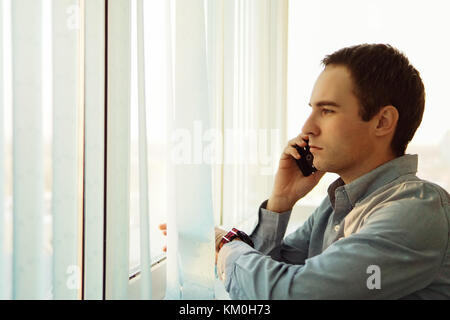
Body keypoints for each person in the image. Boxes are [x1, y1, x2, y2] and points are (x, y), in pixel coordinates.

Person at [160, 43, 450, 299]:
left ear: (382, 121)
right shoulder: (336, 205)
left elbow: (296, 293)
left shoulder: (416, 210)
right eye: (312, 109)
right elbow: (274, 274)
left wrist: (227, 245)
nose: (307, 128)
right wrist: (280, 203)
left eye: (327, 110)